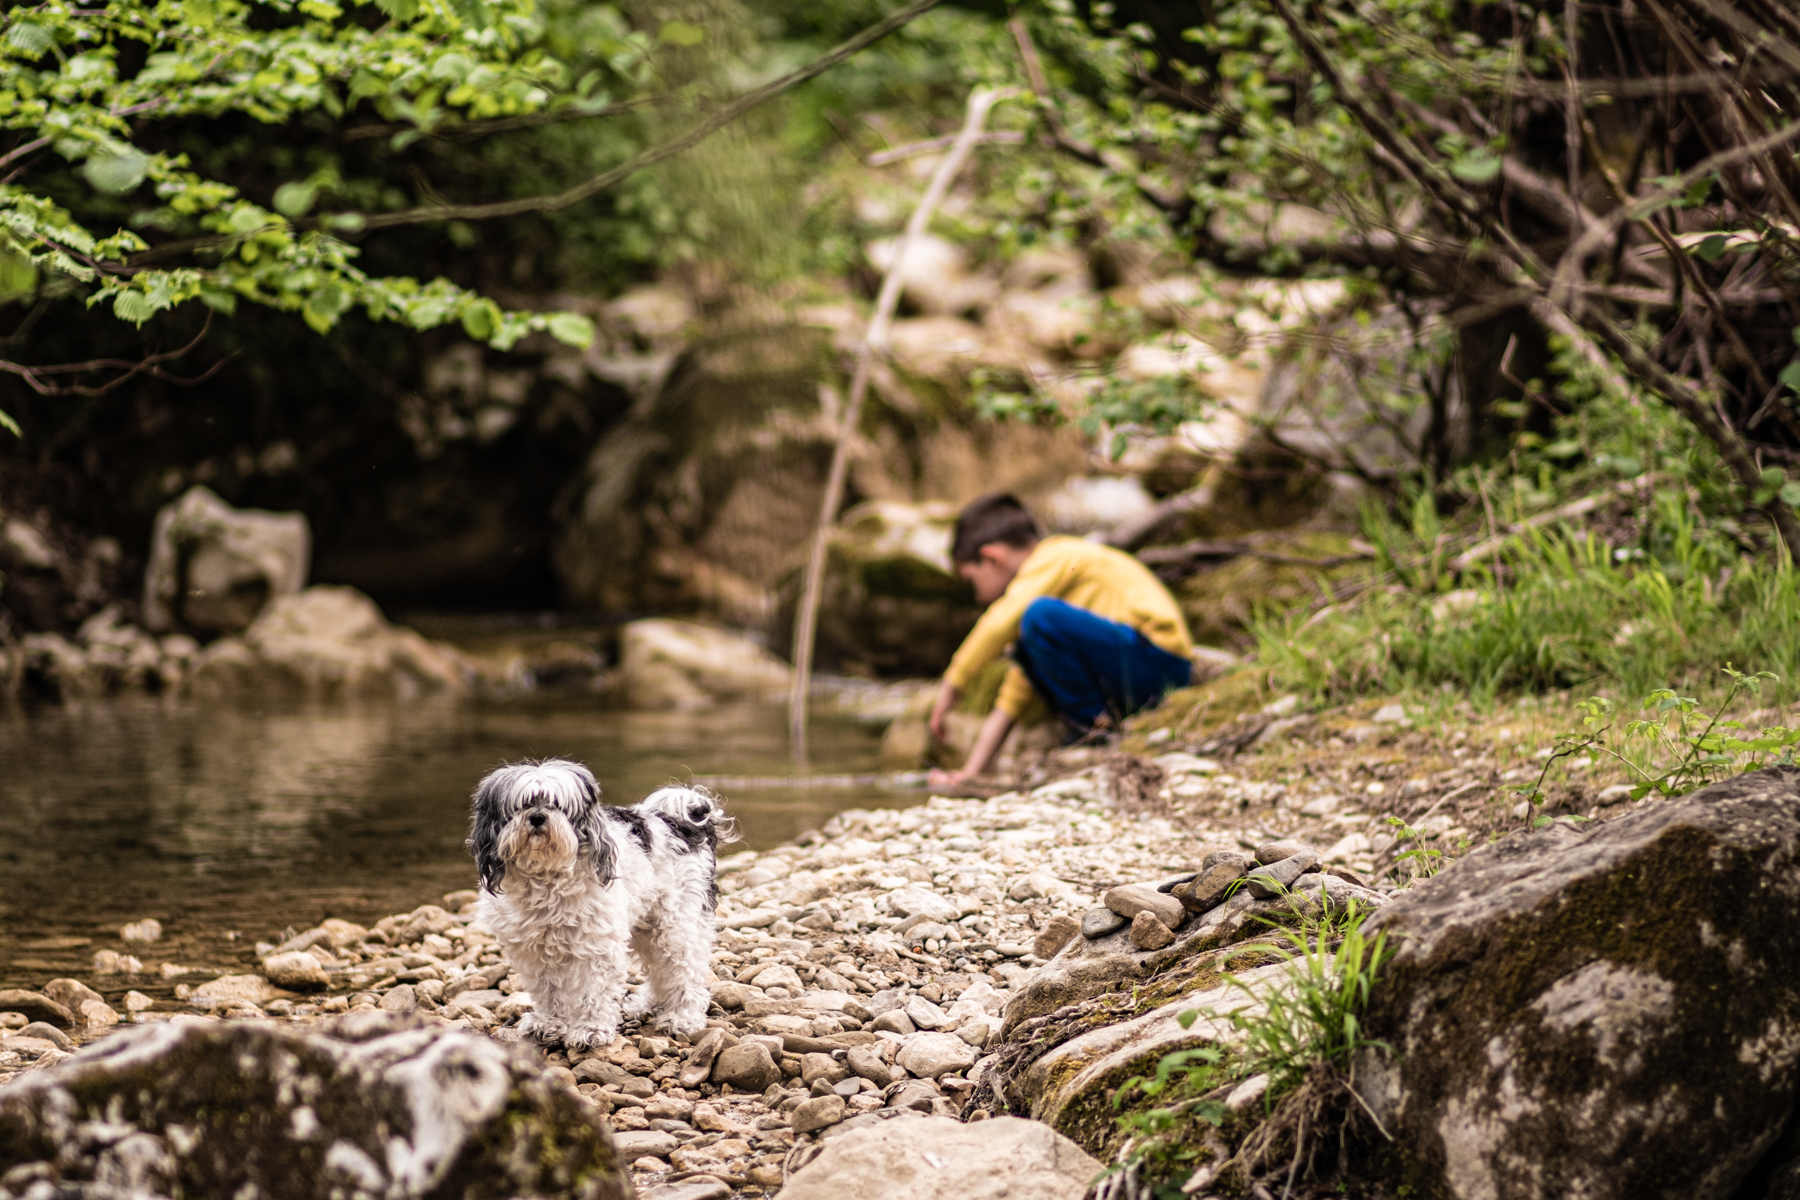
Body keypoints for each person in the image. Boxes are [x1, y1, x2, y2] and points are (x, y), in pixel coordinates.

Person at [926, 493, 1197, 789]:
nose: (978, 597)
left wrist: (952, 685)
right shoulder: (1051, 610)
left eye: (971, 581)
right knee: (1027, 640)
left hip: (1160, 664)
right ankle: (1095, 728)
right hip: (1140, 670)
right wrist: (970, 773)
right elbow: (1013, 698)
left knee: (1038, 615)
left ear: (992, 558)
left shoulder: (1056, 556)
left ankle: (1093, 730)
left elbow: (999, 623)